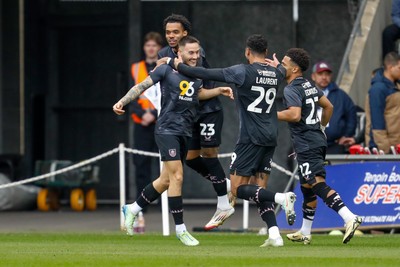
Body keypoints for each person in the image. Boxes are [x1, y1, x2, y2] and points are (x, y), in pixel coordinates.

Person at [171, 34, 297, 247]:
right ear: (265, 53)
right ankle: (275, 234)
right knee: (259, 189)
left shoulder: (241, 71)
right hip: (270, 137)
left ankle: (281, 199)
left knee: (238, 189)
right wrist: (279, 67)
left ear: (247, 52)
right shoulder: (276, 73)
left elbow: (204, 72)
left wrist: (178, 65)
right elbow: (284, 71)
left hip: (249, 138)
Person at [113, 36, 233, 246]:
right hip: (167, 130)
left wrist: (219, 91)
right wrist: (123, 101)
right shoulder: (165, 70)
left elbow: (197, 93)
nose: (196, 57)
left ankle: (132, 208)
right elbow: (141, 86)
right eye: (191, 53)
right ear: (179, 53)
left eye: (197, 53)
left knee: (165, 180)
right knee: (177, 176)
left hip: (185, 131)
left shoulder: (196, 75)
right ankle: (181, 229)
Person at [274, 48, 362, 245]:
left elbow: (294, 115)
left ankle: (349, 217)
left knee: (317, 183)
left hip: (307, 144)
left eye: (284, 63)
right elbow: (328, 106)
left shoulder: (291, 89)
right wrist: (321, 126)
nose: (281, 66)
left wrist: (270, 114)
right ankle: (305, 231)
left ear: (294, 68)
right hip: (315, 140)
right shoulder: (307, 85)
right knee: (307, 188)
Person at [158, 14, 234, 230]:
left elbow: (191, 74)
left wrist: (171, 64)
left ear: (185, 34)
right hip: (187, 114)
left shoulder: (193, 51)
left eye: (176, 32)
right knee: (190, 158)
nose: (171, 36)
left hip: (208, 108)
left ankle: (223, 203)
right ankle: (225, 184)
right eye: (168, 32)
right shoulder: (163, 54)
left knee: (209, 154)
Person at [130, 32, 163, 205]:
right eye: (148, 45)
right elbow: (131, 96)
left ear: (159, 48)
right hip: (141, 123)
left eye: (154, 46)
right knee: (141, 164)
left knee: (164, 165)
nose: (151, 49)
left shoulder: (166, 67)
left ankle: (163, 203)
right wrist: (144, 115)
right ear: (144, 48)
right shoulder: (135, 68)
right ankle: (142, 205)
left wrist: (155, 115)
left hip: (162, 123)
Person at [311, 61, 357, 154]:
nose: (324, 77)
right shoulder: (306, 94)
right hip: (311, 145)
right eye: (320, 74)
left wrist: (346, 135)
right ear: (313, 76)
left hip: (335, 146)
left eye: (327, 74)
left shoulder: (341, 95)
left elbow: (352, 115)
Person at [365, 52, 400, 154]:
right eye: (399, 68)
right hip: (384, 148)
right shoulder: (378, 89)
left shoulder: (396, 86)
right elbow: (377, 121)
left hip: (396, 144)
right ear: (390, 67)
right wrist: (385, 149)